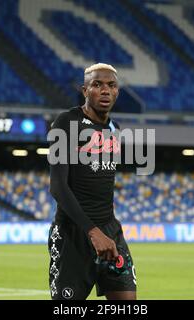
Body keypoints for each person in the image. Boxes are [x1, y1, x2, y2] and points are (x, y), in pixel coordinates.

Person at [47, 63, 137, 300]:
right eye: (97, 85)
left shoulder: (115, 129)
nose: (105, 90)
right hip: (73, 234)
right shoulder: (66, 122)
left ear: (117, 91)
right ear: (85, 90)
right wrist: (92, 231)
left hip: (110, 231)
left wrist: (104, 230)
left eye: (111, 85)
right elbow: (57, 186)